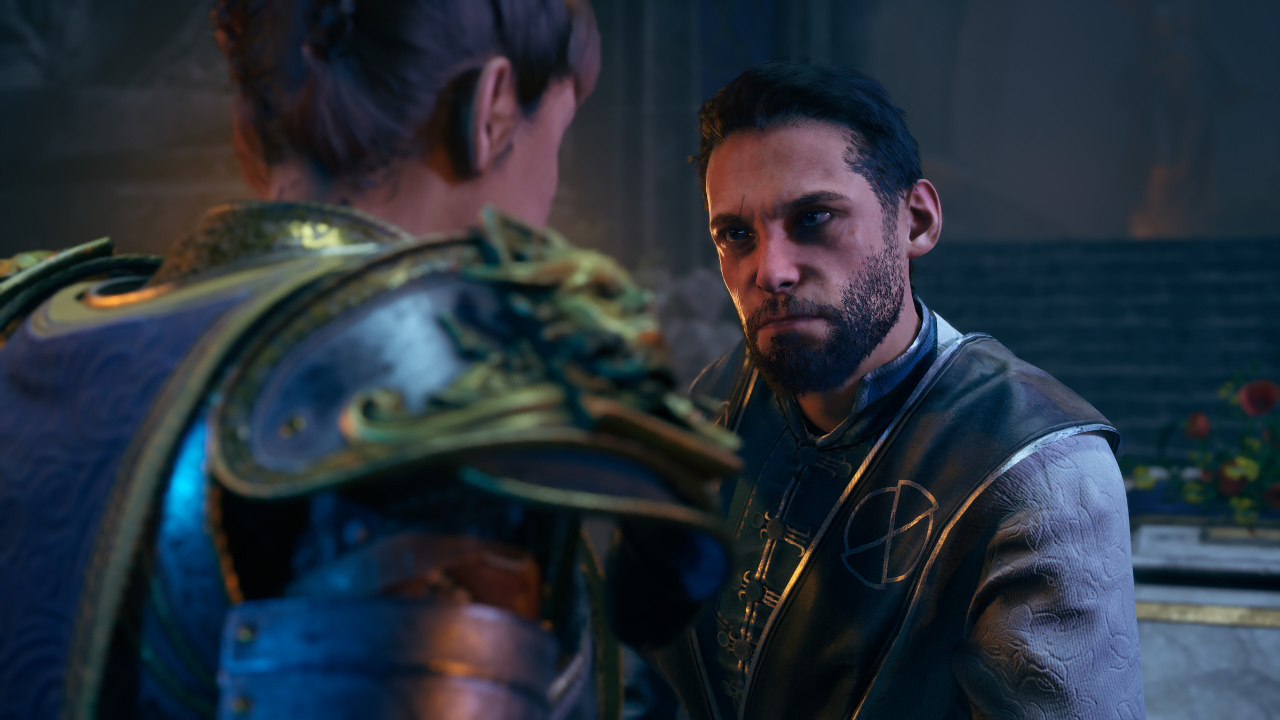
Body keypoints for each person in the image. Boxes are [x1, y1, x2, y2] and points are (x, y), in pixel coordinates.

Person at [0, 2, 740, 718]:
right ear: (491, 109)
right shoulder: (433, 385)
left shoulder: (33, 320)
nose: (549, 185)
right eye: (559, 133)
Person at [638, 61, 1146, 720]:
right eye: (737, 235)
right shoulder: (712, 408)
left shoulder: (1041, 471)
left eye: (814, 218)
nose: (771, 271)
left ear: (916, 221)